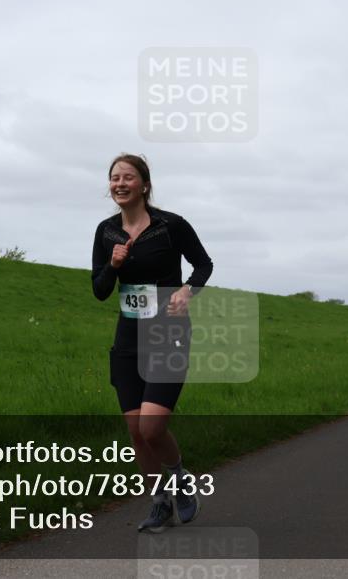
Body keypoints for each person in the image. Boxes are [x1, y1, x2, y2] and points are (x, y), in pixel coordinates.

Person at [91, 154, 213, 533]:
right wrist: (112, 264)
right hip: (128, 338)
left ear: (144, 185)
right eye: (115, 178)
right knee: (134, 433)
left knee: (152, 428)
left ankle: (180, 479)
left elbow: (204, 264)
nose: (120, 183)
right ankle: (159, 502)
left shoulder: (170, 226)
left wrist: (187, 292)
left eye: (128, 177)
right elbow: (99, 290)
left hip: (168, 333)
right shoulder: (106, 231)